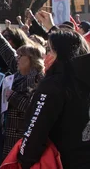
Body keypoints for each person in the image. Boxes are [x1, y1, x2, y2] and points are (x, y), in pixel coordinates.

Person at [19, 29, 90, 169]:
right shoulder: (82, 80)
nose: (46, 56)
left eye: (49, 50)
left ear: (62, 54)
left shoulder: (54, 85)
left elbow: (36, 129)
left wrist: (25, 159)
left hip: (60, 161)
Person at [0, 13, 45, 158]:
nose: (16, 59)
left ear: (31, 59)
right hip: (9, 131)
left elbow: (32, 107)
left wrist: (12, 96)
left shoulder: (38, 78)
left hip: (23, 135)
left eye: (20, 57)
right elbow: (9, 54)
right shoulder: (18, 72)